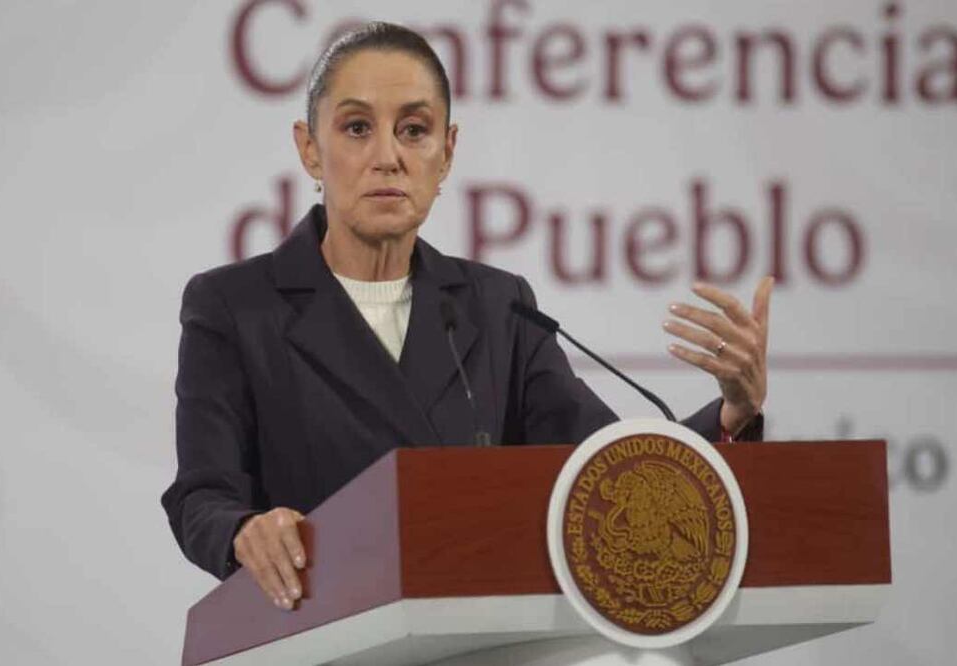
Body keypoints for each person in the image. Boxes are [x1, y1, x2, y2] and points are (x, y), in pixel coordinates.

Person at [161, 22, 772, 612]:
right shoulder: (235, 307)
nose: (388, 157)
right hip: (319, 634)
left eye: (414, 130)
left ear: (447, 152)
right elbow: (202, 496)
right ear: (310, 150)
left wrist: (732, 414)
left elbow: (611, 475)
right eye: (356, 128)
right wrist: (243, 530)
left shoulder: (498, 306)